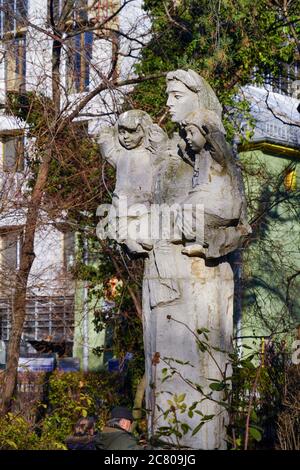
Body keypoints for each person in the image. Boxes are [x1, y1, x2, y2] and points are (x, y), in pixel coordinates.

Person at [98, 110, 167, 254]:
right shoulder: (121, 155)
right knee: (123, 230)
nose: (126, 137)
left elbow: (161, 154)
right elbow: (109, 152)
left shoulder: (149, 155)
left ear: (143, 131)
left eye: (132, 132)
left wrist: (157, 138)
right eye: (122, 132)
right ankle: (132, 242)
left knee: (143, 230)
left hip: (144, 204)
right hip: (121, 204)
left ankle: (140, 241)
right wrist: (105, 137)